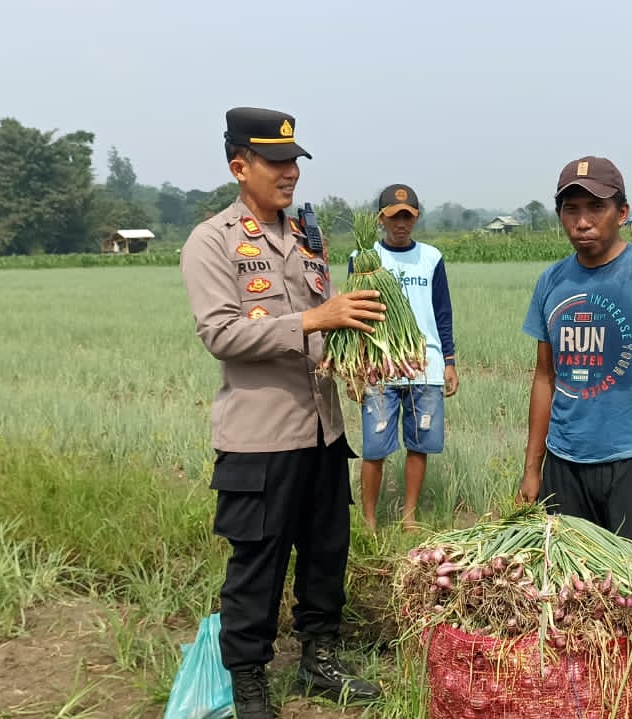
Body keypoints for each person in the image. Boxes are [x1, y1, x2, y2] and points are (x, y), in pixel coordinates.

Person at [179, 107, 385, 718]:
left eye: (294, 161)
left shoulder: (306, 237)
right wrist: (313, 321)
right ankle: (248, 679)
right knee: (258, 562)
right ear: (239, 166)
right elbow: (221, 333)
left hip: (322, 431)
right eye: (276, 161)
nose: (290, 172)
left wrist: (350, 357)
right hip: (260, 437)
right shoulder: (213, 240)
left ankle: (320, 658)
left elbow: (325, 326)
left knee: (327, 550)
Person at [517, 156, 632, 718]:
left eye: (596, 207)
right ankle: (597, 700)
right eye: (571, 208)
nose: (583, 220)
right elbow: (545, 376)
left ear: (622, 212)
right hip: (566, 466)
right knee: (573, 597)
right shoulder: (551, 282)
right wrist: (532, 467)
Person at [351, 183, 458, 531]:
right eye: (394, 217)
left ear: (415, 218)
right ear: (381, 219)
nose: (401, 223)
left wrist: (451, 361)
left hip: (424, 364)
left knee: (419, 444)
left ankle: (408, 515)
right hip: (379, 366)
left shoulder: (431, 258)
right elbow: (352, 315)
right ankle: (368, 519)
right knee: (375, 447)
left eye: (408, 217)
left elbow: (442, 312)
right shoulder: (365, 259)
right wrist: (355, 366)